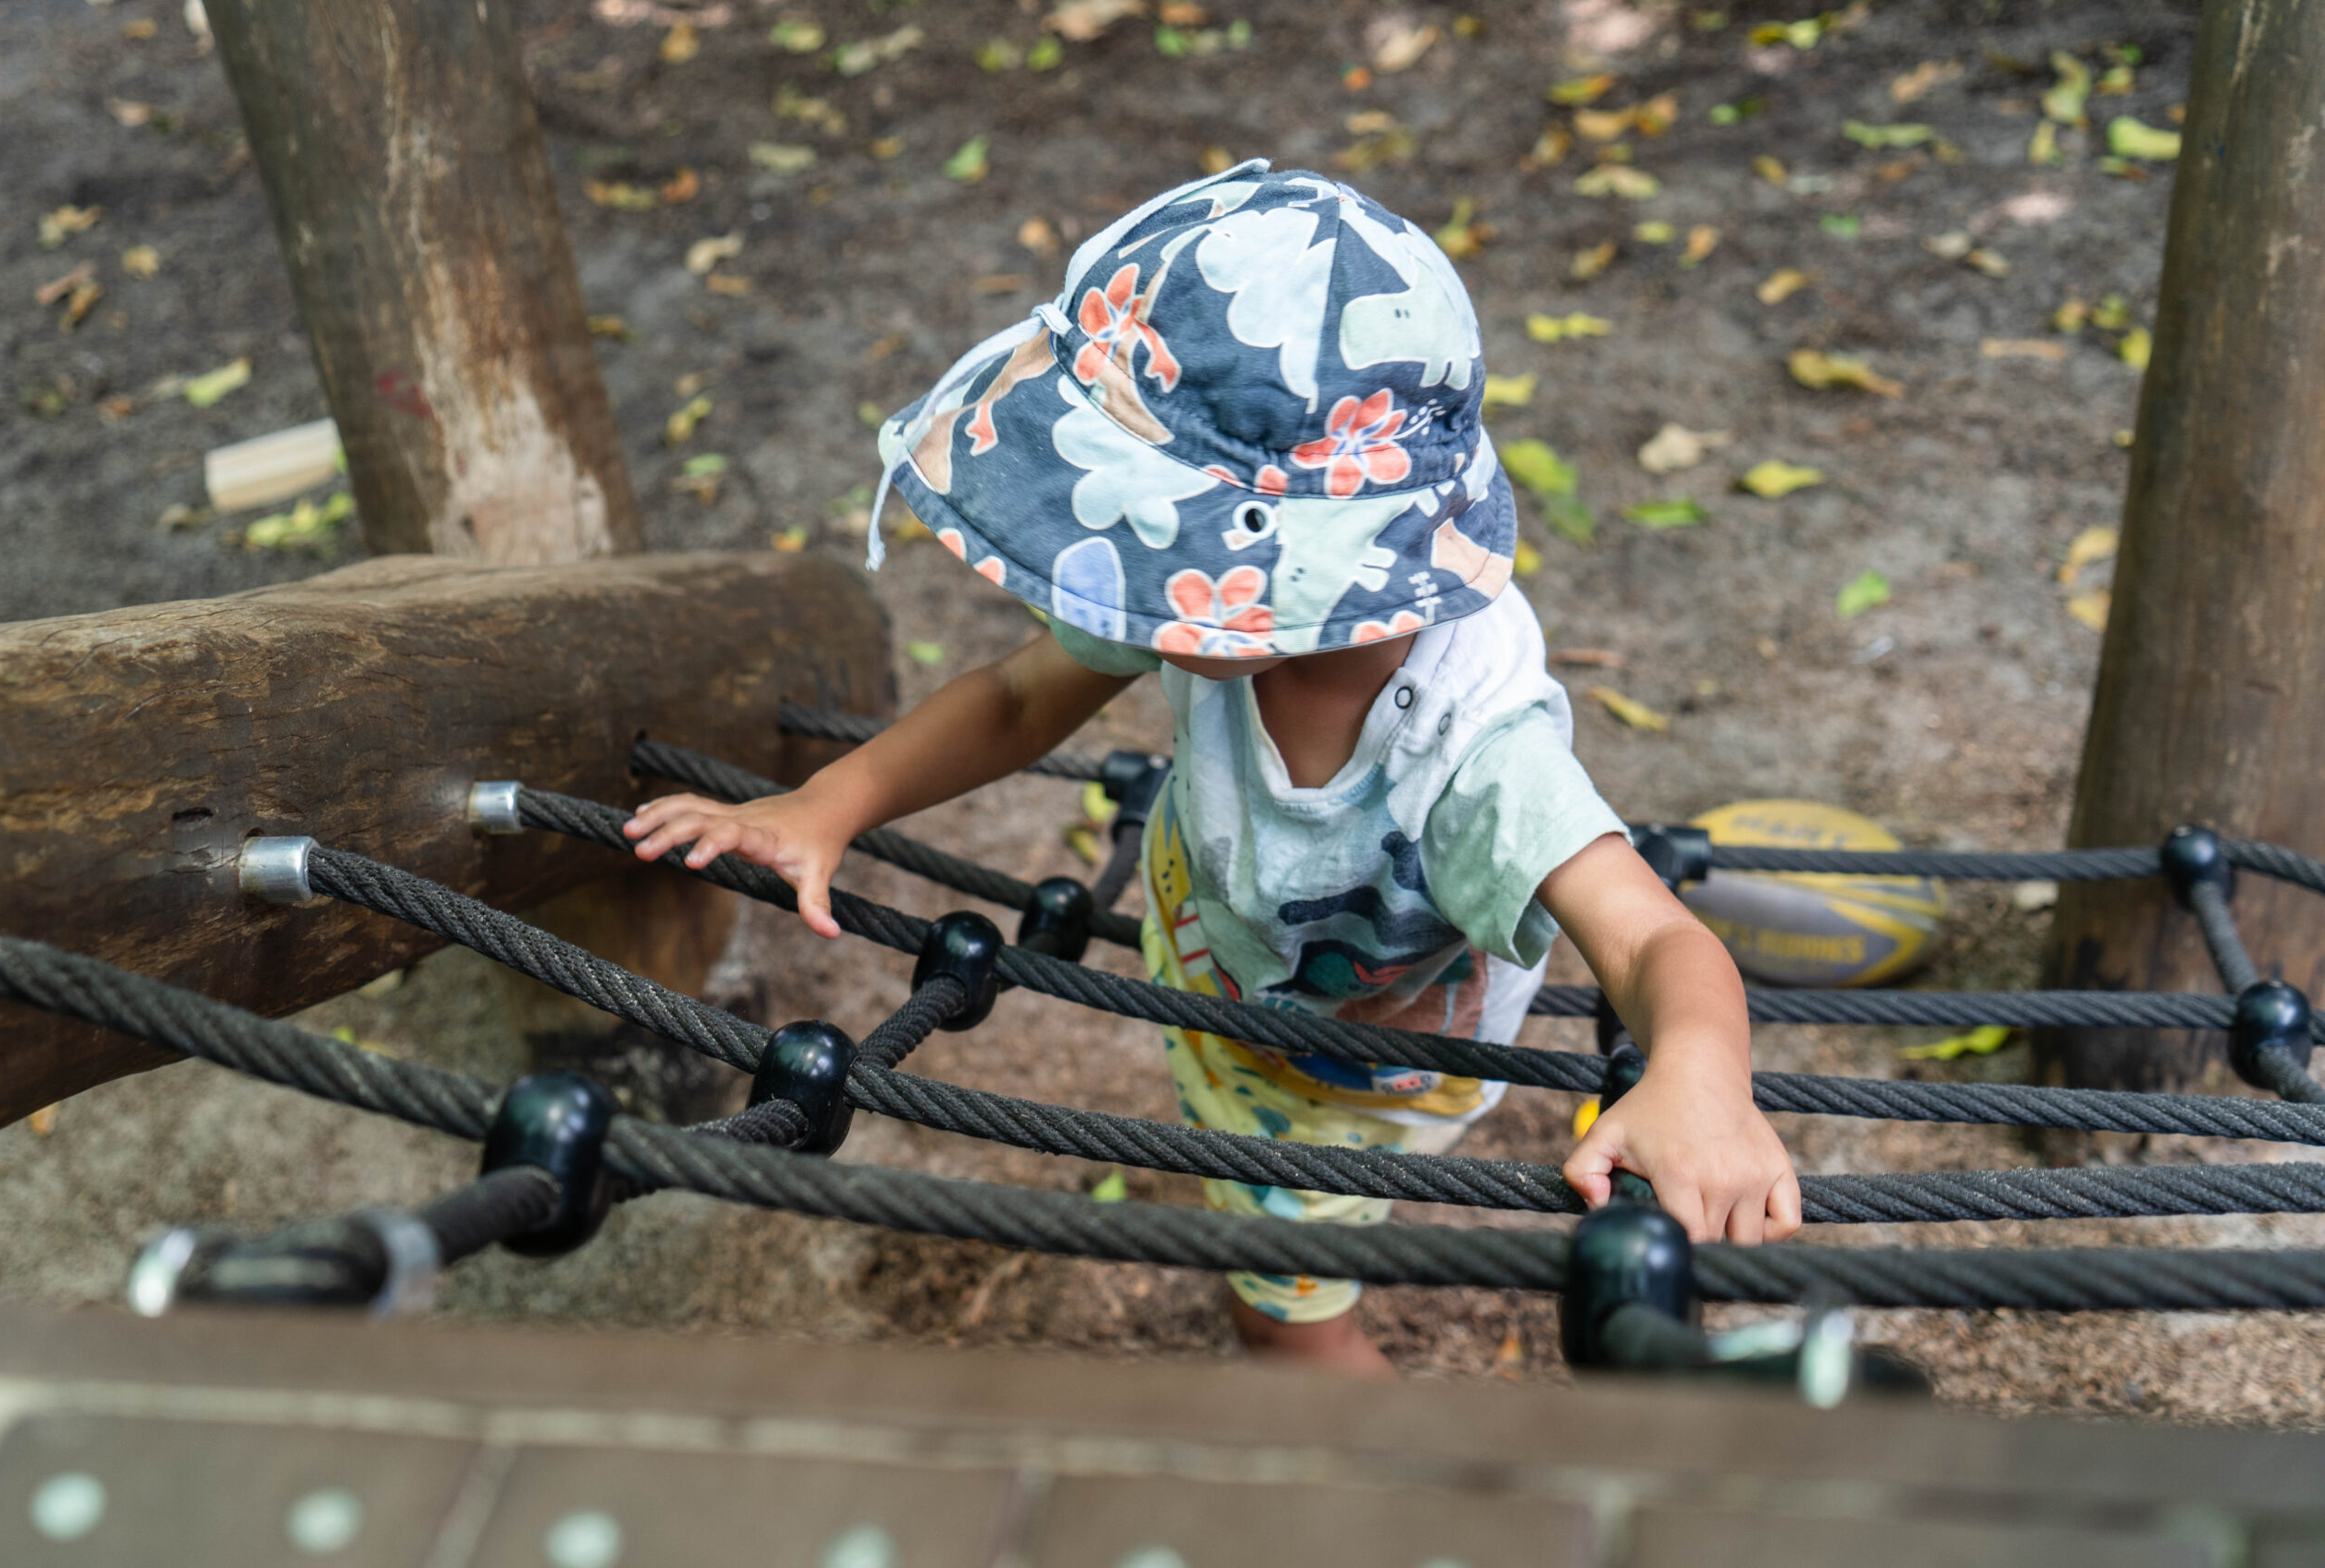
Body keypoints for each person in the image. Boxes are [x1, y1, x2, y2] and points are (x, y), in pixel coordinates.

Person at [625, 162, 1800, 1375]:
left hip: (1346, 1077)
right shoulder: (1207, 596)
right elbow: (1020, 696)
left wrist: (1700, 1079)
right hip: (1210, 963)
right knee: (1233, 1181)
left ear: (1301, 563)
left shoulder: (1475, 755)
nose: (1141, 577)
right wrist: (835, 802)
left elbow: (1658, 942)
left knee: (1284, 1321)